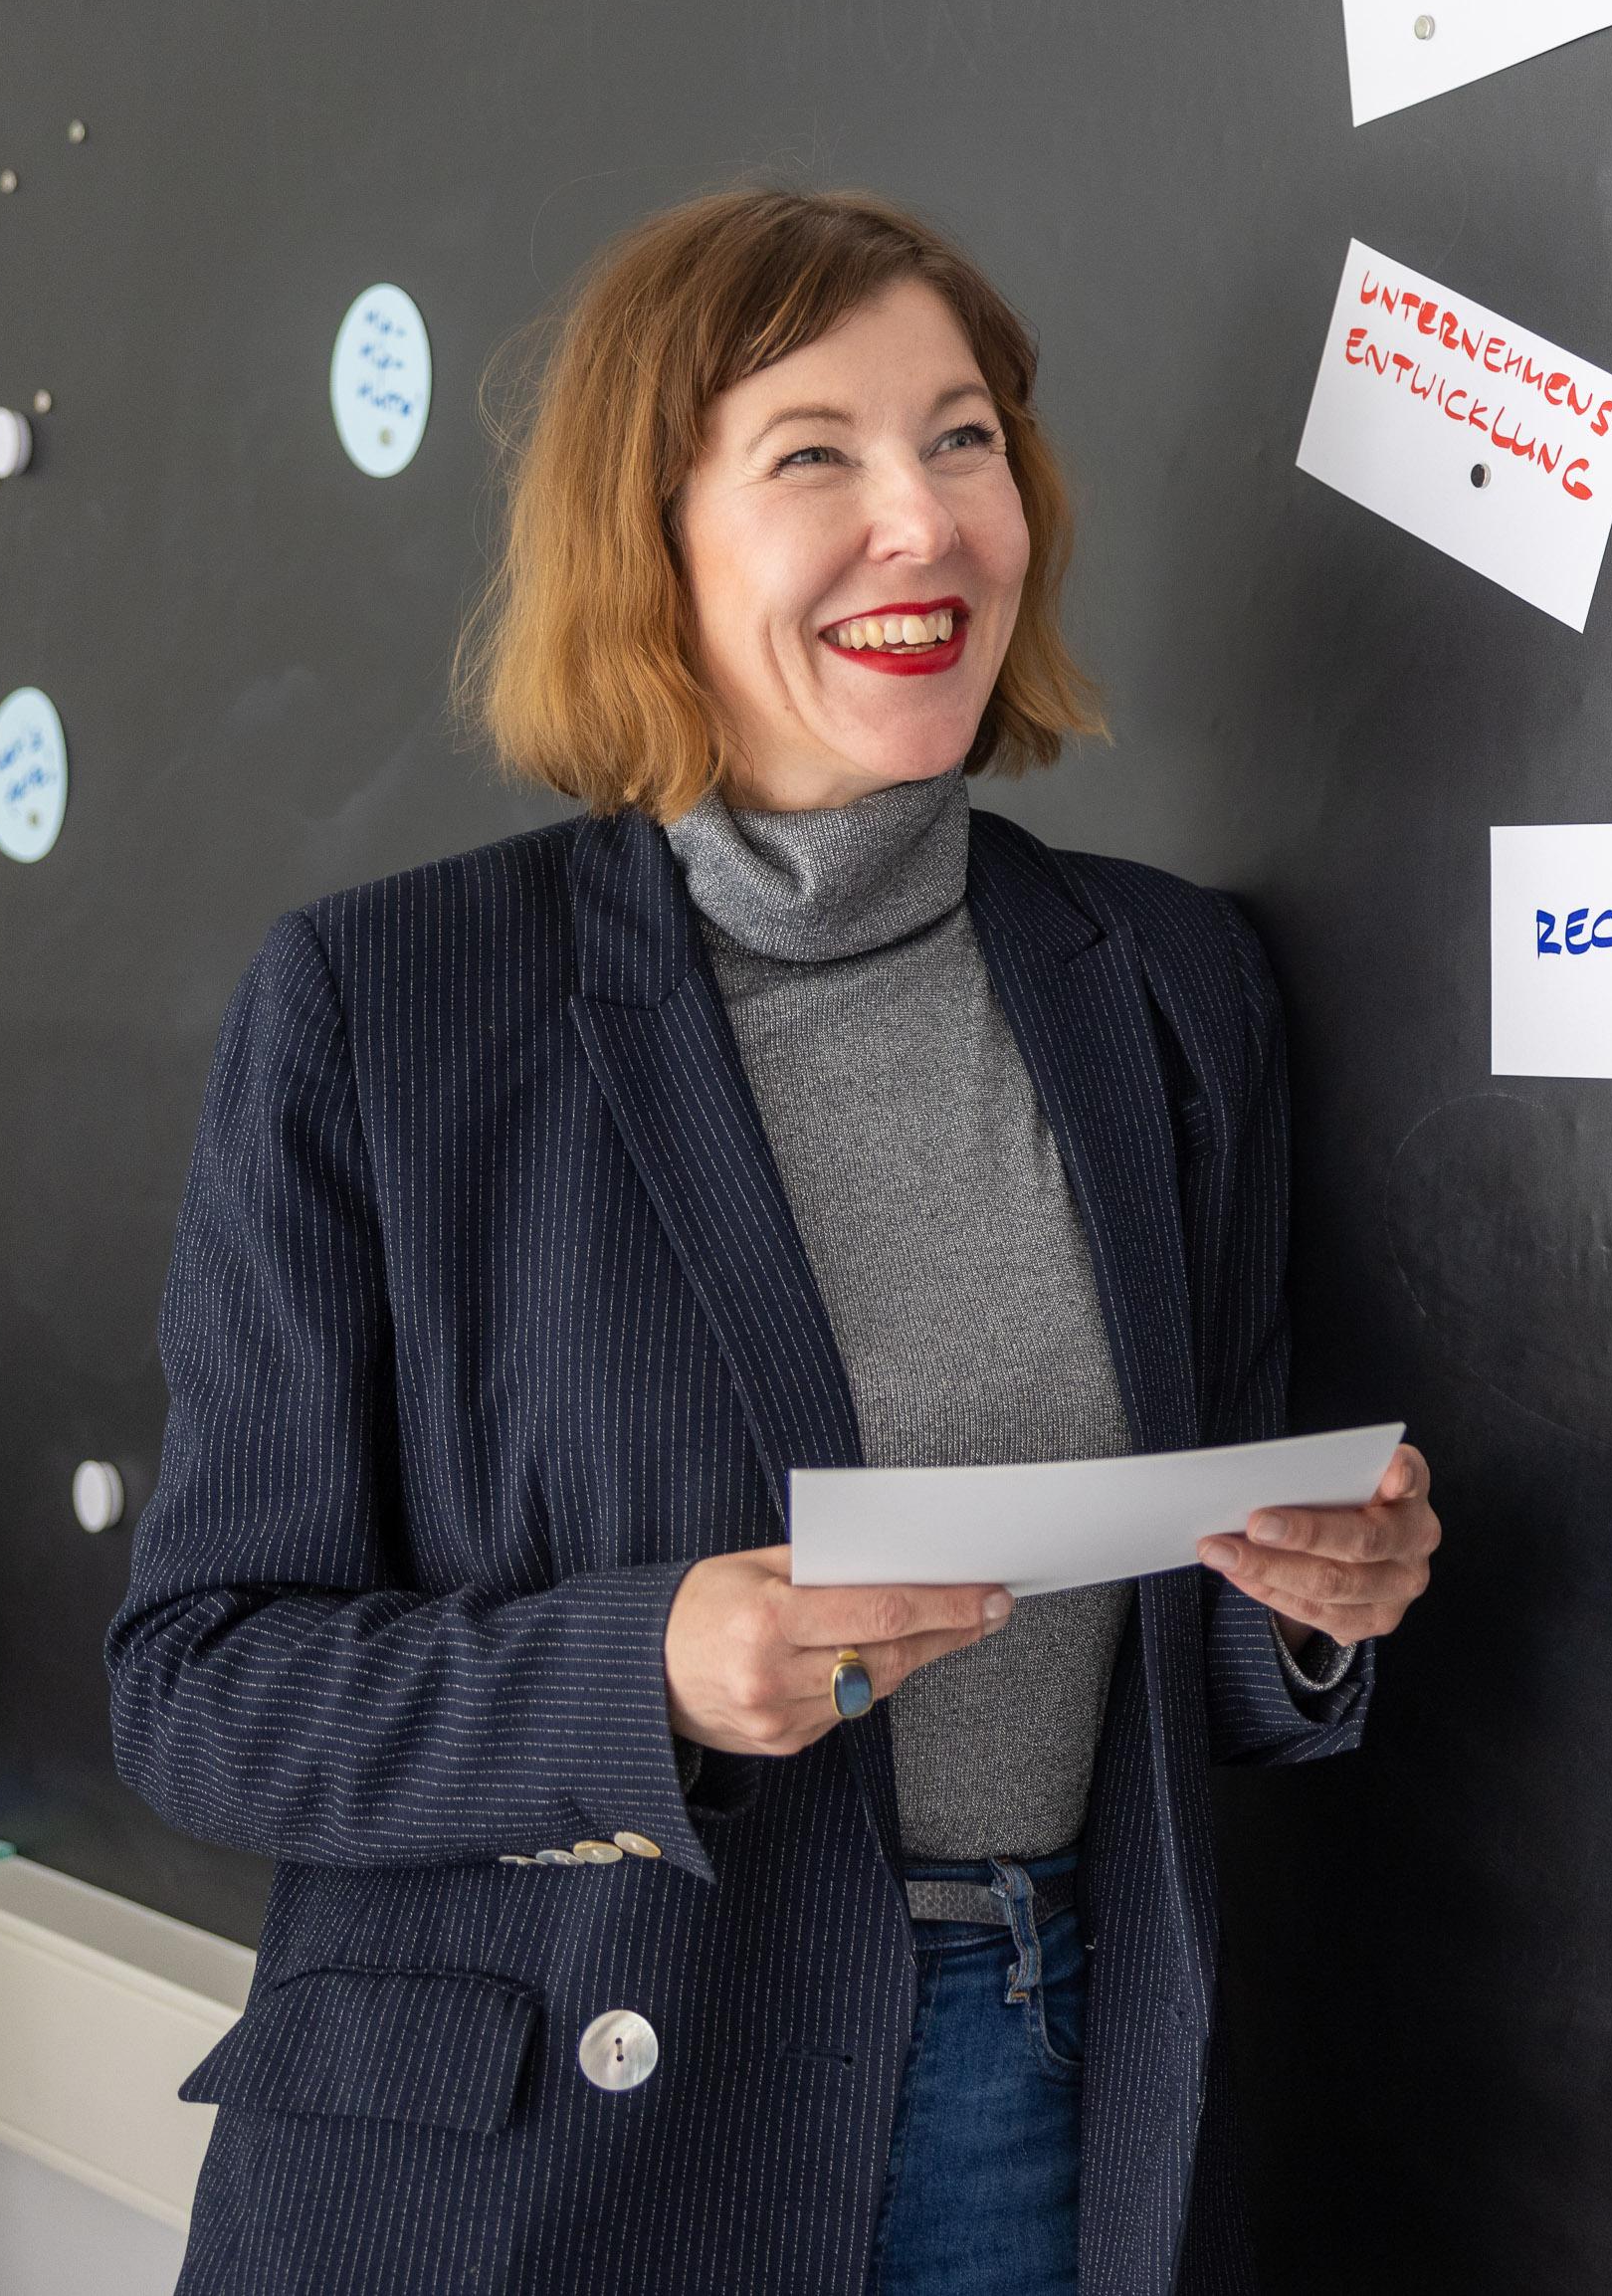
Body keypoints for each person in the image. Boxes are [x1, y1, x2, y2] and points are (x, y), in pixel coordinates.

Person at [109, 186, 1441, 2296]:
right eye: (815, 453)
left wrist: (1308, 1607)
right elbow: (200, 1690)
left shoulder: (1172, 984)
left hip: (1029, 2087)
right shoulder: (388, 1006)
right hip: (543, 2156)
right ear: (651, 541)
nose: (923, 520)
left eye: (964, 438)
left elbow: (1173, 1617)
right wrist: (638, 1670)